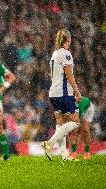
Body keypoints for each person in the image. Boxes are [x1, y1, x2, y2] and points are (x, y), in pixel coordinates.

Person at [41, 29, 82, 161]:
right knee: (75, 122)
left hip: (53, 93)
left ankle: (64, 155)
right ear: (68, 40)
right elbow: (69, 74)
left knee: (61, 122)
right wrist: (77, 91)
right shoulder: (66, 54)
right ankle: (50, 143)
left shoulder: (54, 54)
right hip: (64, 93)